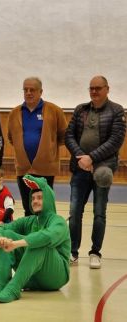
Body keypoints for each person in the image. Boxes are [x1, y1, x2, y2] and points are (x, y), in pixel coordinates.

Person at [65, 75, 126, 269]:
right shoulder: (80, 110)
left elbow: (116, 140)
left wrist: (92, 159)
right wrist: (81, 157)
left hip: (103, 170)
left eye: (98, 88)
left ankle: (95, 252)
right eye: (91, 88)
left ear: (107, 89)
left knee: (99, 212)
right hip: (80, 168)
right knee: (75, 212)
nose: (94, 91)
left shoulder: (117, 111)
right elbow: (69, 136)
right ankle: (72, 252)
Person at [0, 175, 70, 303]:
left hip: (55, 277)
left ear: (49, 200)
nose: (35, 201)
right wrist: (0, 238)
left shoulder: (58, 221)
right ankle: (0, 284)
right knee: (7, 233)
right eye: (33, 198)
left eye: (40, 198)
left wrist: (16, 244)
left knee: (39, 243)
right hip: (31, 279)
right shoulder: (29, 220)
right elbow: (3, 227)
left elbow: (47, 236)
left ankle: (14, 288)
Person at [8, 77, 67, 216]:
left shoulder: (54, 110)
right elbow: (11, 138)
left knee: (44, 208)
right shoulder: (14, 113)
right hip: (23, 170)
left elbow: (63, 135)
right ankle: (29, 238)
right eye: (25, 90)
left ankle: (44, 237)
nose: (28, 93)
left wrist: (49, 149)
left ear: (41, 91)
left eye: (32, 90)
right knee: (28, 208)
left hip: (45, 169)